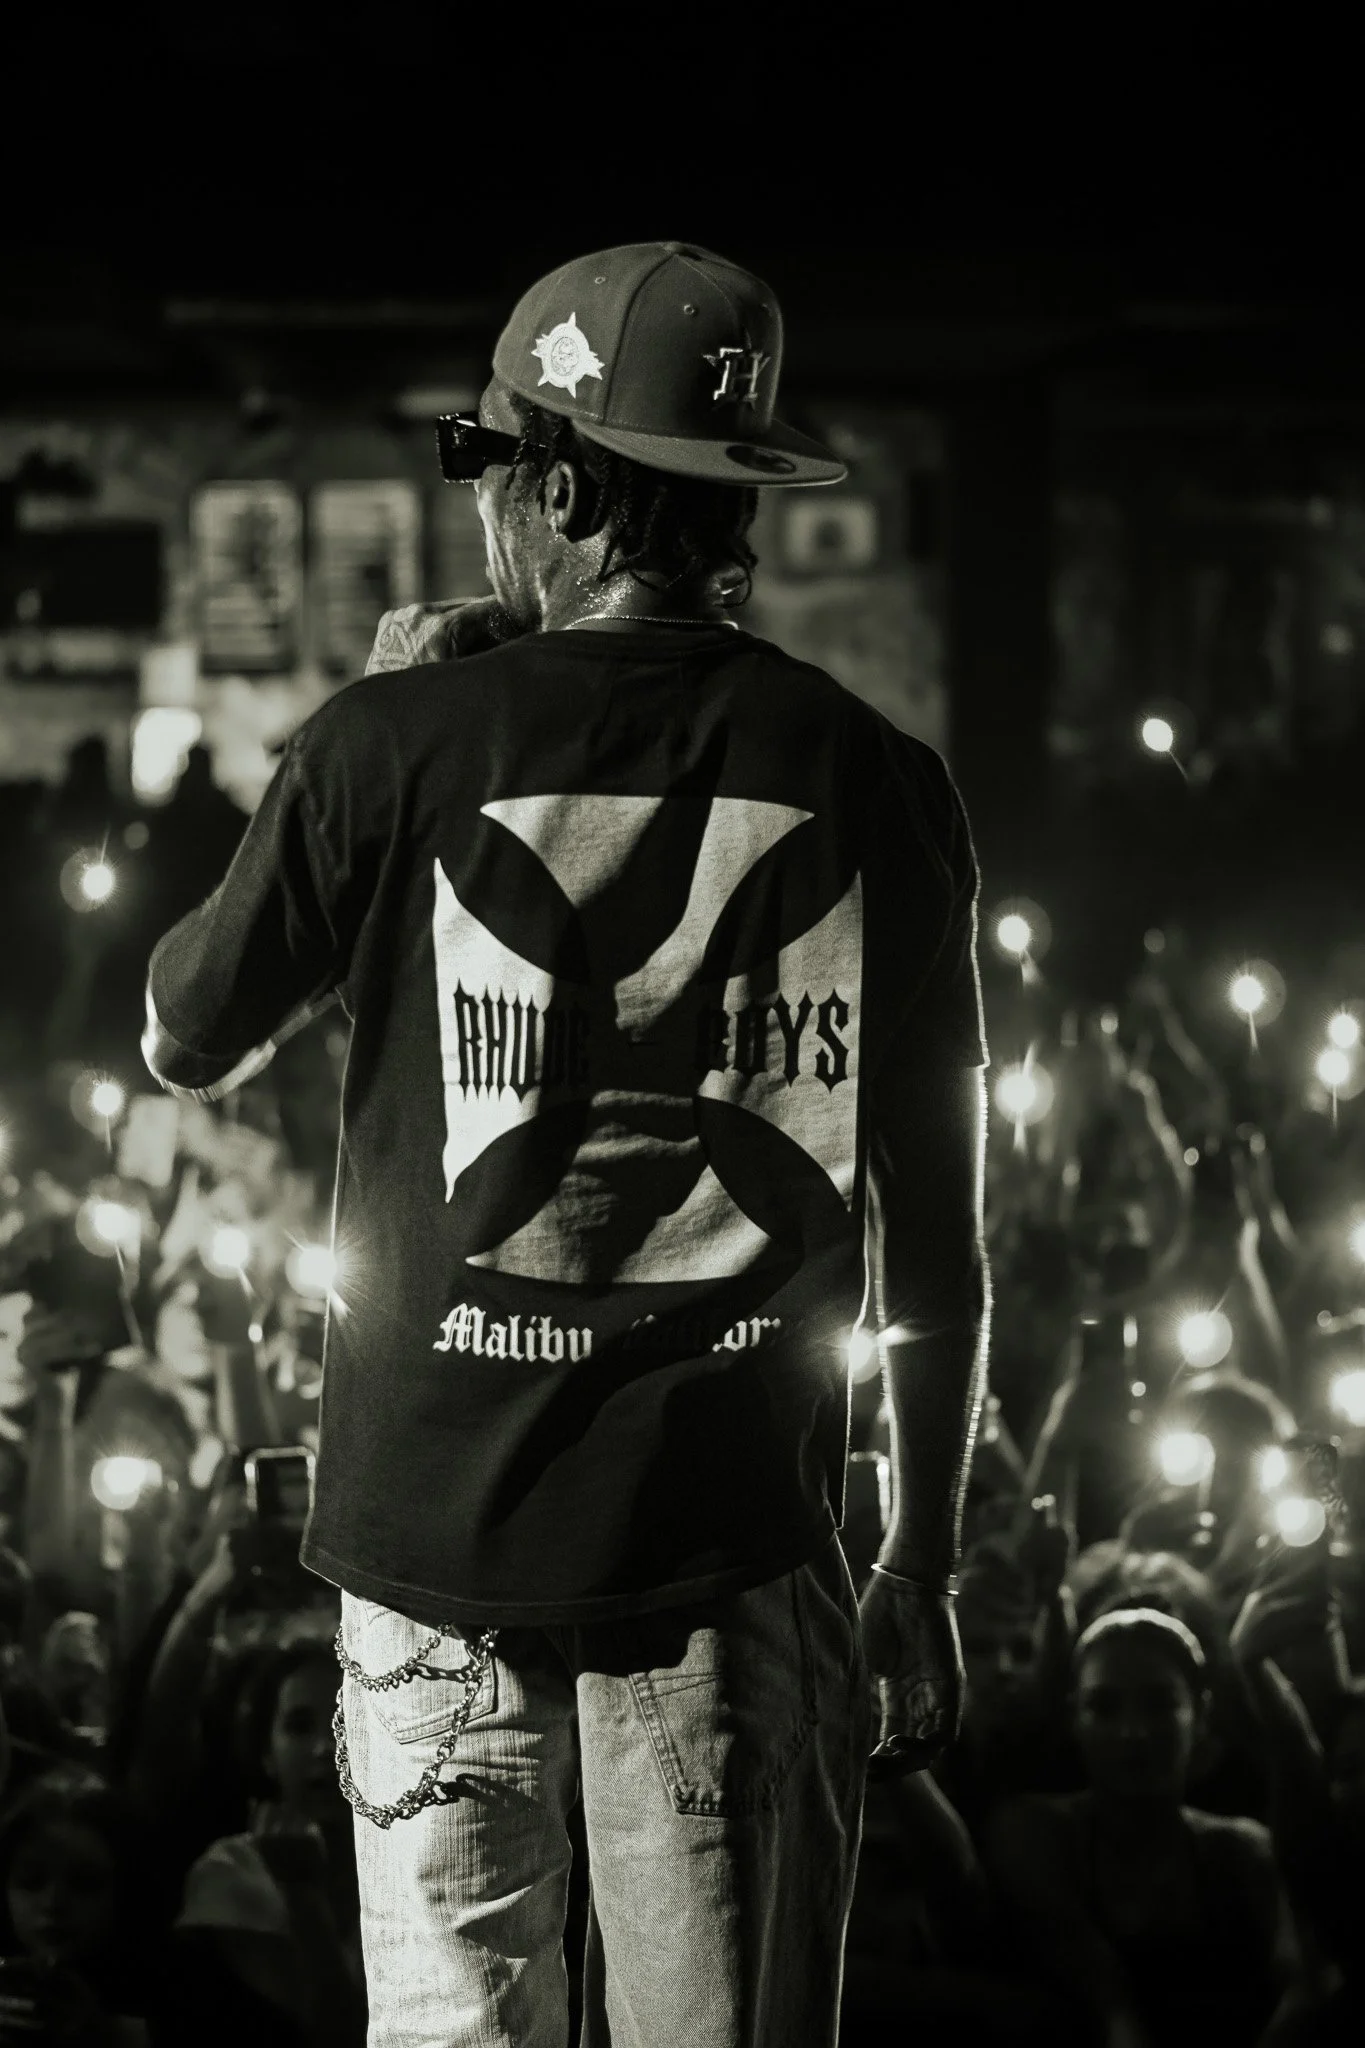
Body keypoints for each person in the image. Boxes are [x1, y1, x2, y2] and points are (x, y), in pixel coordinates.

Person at [142, 240, 991, 2046]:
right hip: (732, 1569)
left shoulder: (390, 740)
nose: (485, 518)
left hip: (429, 1570)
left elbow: (183, 1029)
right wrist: (918, 1559)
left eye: (490, 469)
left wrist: (351, 740)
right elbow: (954, 1227)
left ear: (560, 491)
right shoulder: (876, 776)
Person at [986, 1607, 1303, 2048]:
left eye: (1159, 1705)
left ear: (1201, 1715)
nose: (1133, 1732)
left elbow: (1304, 1984)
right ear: (1073, 1718)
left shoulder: (1243, 1851)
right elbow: (1103, 1992)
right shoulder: (1032, 1833)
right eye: (1104, 1707)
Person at [173, 1638, 366, 2046]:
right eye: (299, 1726)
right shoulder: (230, 1872)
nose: (326, 1747)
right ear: (266, 1753)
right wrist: (301, 1894)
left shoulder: (407, 1870)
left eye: (347, 1722)